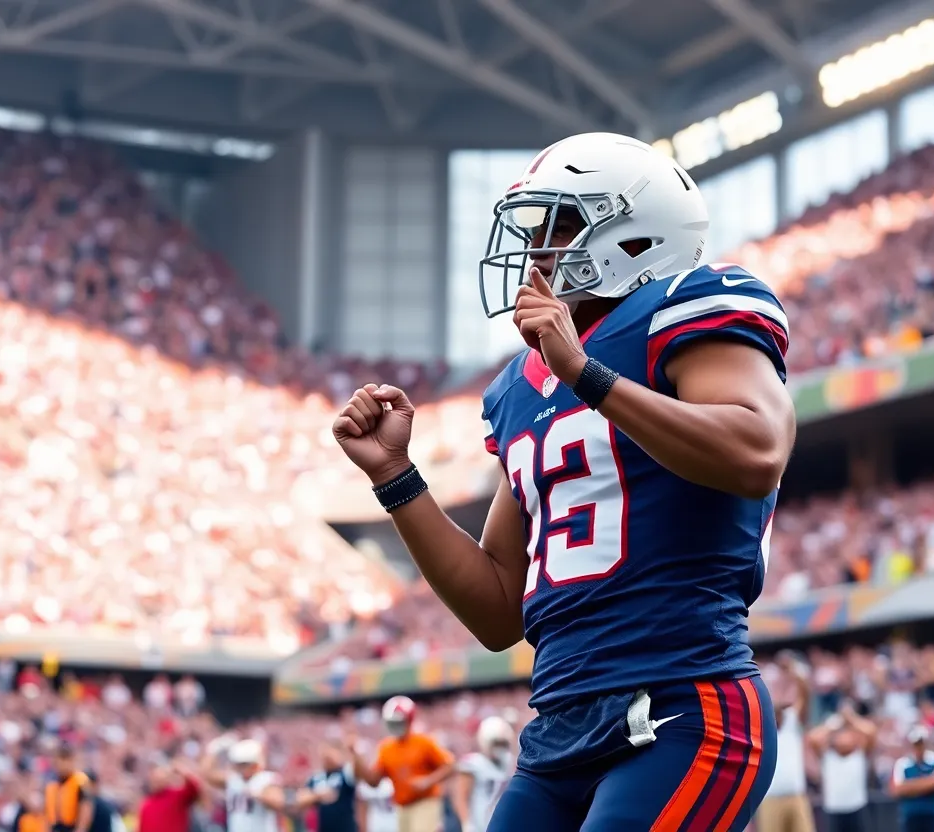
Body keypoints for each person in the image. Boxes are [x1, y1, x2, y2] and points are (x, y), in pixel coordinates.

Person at [332, 132, 791, 831]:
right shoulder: (521, 384)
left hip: (680, 702)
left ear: (637, 234)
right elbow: (496, 610)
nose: (538, 250)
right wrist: (396, 478)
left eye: (562, 224)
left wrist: (586, 375)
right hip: (557, 725)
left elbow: (757, 450)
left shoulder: (686, 304)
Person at [352, 697, 455, 832]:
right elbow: (373, 781)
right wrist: (356, 757)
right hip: (401, 806)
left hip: (425, 801)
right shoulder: (386, 748)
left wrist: (428, 781)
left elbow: (450, 765)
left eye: (399, 722)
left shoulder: (423, 742)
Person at [199, 738, 315, 832]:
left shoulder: (265, 779)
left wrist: (259, 796)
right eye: (239, 764)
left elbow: (280, 802)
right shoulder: (234, 779)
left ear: (254, 764)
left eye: (244, 764)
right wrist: (213, 749)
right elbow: (207, 774)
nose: (240, 768)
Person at [758, 653, 815, 832]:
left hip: (796, 795)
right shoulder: (760, 725)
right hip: (770, 799)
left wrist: (794, 671)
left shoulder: (792, 719)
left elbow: (805, 695)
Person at [809, 702, 876, 832]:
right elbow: (813, 738)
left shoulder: (859, 752)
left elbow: (871, 732)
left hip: (857, 808)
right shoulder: (827, 754)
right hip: (833, 810)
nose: (844, 738)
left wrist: (851, 719)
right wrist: (835, 723)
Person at [453, 717, 515, 832]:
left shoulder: (509, 761)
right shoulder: (473, 764)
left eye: (503, 743)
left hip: (502, 821)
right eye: (497, 743)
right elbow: (461, 798)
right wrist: (466, 823)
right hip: (479, 824)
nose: (500, 748)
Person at [892, 726, 934, 832]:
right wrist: (927, 783)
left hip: (933, 816)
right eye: (916, 744)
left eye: (921, 743)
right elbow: (898, 789)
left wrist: (910, 787)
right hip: (911, 817)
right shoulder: (902, 763)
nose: (919, 747)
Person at [304, 741, 358, 832]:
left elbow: (358, 772)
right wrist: (317, 796)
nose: (327, 758)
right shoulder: (317, 777)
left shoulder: (346, 773)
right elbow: (303, 796)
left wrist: (354, 753)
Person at [136, 760, 200, 832]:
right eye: (154, 779)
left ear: (166, 780)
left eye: (159, 779)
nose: (156, 782)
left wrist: (182, 771)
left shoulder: (177, 796)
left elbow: (195, 788)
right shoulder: (146, 804)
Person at [44, 746, 92, 832]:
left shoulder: (80, 782)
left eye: (63, 760)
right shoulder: (53, 784)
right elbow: (47, 815)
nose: (60, 765)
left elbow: (86, 810)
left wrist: (80, 830)